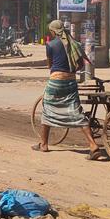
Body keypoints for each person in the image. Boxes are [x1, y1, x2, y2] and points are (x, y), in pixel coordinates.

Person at [34, 20, 104, 160]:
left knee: (47, 108)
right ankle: (93, 145)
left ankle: (44, 144)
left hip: (56, 80)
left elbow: (50, 64)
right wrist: (70, 72)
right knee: (77, 112)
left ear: (53, 31)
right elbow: (80, 65)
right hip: (71, 81)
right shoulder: (75, 44)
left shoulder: (50, 45)